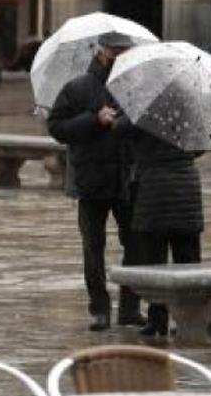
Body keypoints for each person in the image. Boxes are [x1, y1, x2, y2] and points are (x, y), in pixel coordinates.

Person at [47, 31, 142, 331]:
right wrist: (93, 119)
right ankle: (99, 309)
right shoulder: (77, 88)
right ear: (100, 51)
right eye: (115, 51)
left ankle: (130, 309)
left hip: (127, 177)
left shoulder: (135, 88)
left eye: (124, 51)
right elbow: (56, 127)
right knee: (93, 247)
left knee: (135, 245)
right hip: (90, 179)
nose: (119, 56)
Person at [118, 124, 206, 339]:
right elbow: (200, 146)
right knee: (188, 263)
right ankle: (190, 318)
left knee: (155, 263)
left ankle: (157, 321)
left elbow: (120, 133)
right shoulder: (188, 115)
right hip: (186, 190)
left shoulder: (142, 115)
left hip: (154, 191)